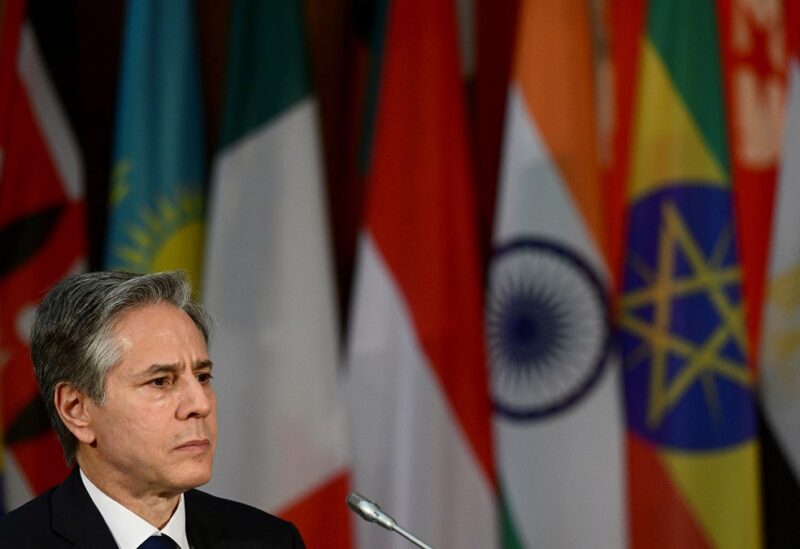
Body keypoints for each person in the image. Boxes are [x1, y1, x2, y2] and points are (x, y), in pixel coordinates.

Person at [0, 271, 305, 548]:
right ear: (76, 409)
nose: (199, 404)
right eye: (160, 382)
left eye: (202, 377)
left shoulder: (271, 540)